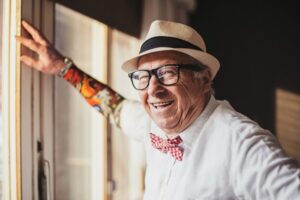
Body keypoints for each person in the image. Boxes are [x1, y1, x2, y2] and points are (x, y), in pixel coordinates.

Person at [16, 20, 300, 199]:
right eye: (143, 76)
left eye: (167, 73)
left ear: (203, 80)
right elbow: (114, 107)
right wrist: (64, 68)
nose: (153, 90)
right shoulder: (156, 123)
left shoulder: (243, 143)